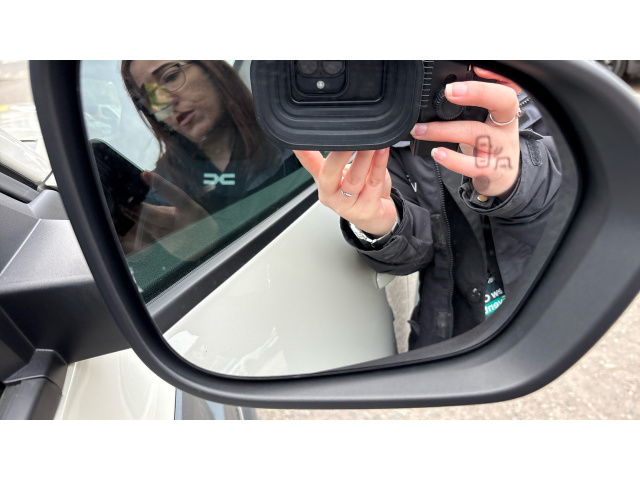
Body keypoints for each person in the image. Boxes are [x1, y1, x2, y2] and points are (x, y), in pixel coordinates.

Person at [294, 67, 562, 350]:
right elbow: (416, 252)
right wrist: (380, 226)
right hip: (450, 333)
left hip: (540, 321)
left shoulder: (546, 96)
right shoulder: (392, 127)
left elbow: (577, 218)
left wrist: (515, 180)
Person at [116, 60, 300, 254]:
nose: (165, 103)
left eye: (170, 77)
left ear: (211, 68)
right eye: (150, 96)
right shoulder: (162, 192)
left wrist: (210, 241)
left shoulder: (294, 139)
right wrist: (152, 255)